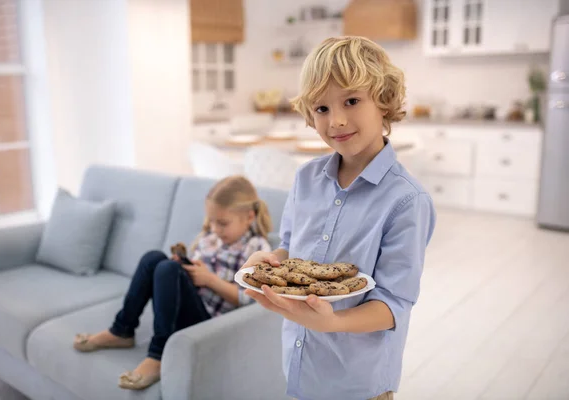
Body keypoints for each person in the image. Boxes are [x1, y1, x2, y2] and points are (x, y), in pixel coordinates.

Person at [242, 36, 436, 400]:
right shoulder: (305, 178)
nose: (337, 120)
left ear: (384, 100)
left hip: (357, 383)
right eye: (321, 109)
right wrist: (267, 262)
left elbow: (394, 304)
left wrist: (333, 323)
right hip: (301, 368)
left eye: (351, 101)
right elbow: (290, 249)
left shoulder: (407, 201)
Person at [73, 176, 272, 390]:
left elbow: (250, 299)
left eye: (222, 223)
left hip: (210, 322)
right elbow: (190, 273)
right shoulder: (209, 238)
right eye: (212, 221)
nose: (215, 229)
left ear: (249, 217)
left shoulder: (256, 248)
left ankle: (158, 355)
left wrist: (210, 280)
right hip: (186, 304)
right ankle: (121, 331)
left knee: (168, 269)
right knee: (153, 259)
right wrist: (186, 268)